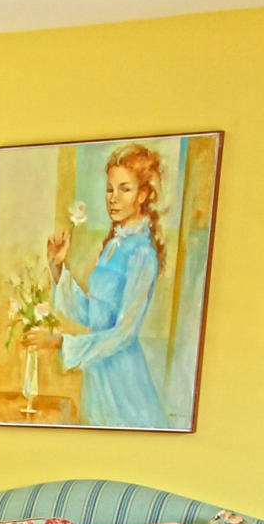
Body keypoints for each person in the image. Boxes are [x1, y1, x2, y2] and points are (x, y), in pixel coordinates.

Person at [43, 143, 169, 429]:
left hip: (123, 380)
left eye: (125, 189)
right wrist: (58, 267)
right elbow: (91, 313)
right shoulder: (114, 244)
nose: (113, 198)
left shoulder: (142, 253)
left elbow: (124, 333)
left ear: (143, 195)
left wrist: (62, 342)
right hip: (98, 371)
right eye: (110, 189)